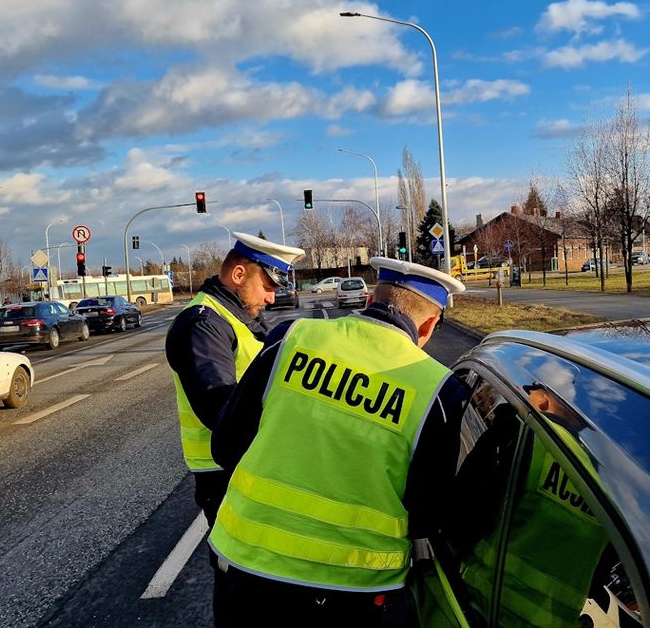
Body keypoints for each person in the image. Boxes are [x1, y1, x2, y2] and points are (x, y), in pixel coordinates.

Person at [207, 257, 470, 628]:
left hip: (248, 572)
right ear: (428, 326)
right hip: (359, 594)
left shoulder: (291, 338)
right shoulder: (440, 392)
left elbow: (226, 445)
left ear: (368, 301)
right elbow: (428, 515)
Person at [164, 231, 304, 526]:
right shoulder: (202, 325)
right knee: (239, 564)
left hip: (248, 461)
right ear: (239, 274)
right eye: (267, 286)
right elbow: (219, 405)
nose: (271, 296)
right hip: (224, 470)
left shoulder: (238, 315)